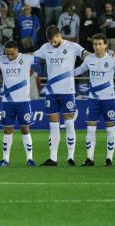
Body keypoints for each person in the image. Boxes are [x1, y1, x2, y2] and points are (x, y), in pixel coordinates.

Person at [74, 33, 115, 166]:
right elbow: (78, 70)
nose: (97, 47)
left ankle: (109, 159)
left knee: (110, 129)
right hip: (93, 100)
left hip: (108, 100)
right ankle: (90, 158)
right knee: (90, 129)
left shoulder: (112, 59)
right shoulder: (89, 59)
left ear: (106, 45)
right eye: (95, 44)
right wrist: (63, 73)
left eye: (100, 44)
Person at [33, 25, 86, 166]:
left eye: (54, 40)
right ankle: (53, 158)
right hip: (51, 92)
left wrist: (101, 55)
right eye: (50, 41)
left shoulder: (73, 46)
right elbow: (32, 56)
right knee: (53, 126)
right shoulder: (45, 48)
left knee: (69, 123)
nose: (52, 43)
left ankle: (70, 158)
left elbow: (85, 54)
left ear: (59, 35)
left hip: (67, 92)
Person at [0, 40, 36, 167]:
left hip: (23, 101)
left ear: (17, 50)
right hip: (8, 102)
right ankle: (5, 160)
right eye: (7, 54)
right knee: (7, 129)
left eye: (12, 54)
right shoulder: (0, 59)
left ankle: (30, 159)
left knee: (25, 129)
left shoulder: (27, 59)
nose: (10, 56)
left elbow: (45, 55)